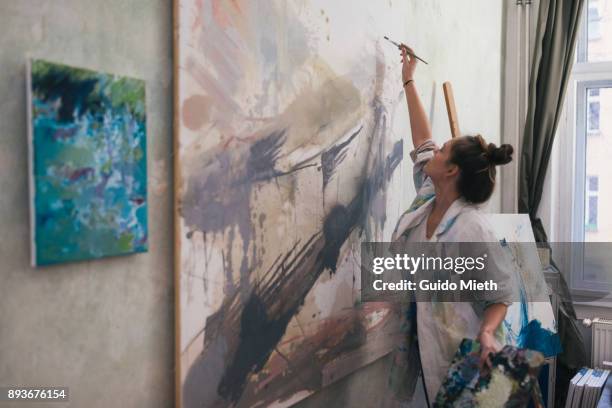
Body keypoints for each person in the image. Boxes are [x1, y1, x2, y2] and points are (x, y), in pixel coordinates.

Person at [388, 45, 518, 404]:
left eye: (443, 151)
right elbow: (422, 140)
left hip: (475, 364)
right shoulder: (427, 200)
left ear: (452, 171)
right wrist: (408, 79)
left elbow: (501, 296)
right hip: (435, 363)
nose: (435, 152)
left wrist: (488, 334)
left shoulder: (472, 229)